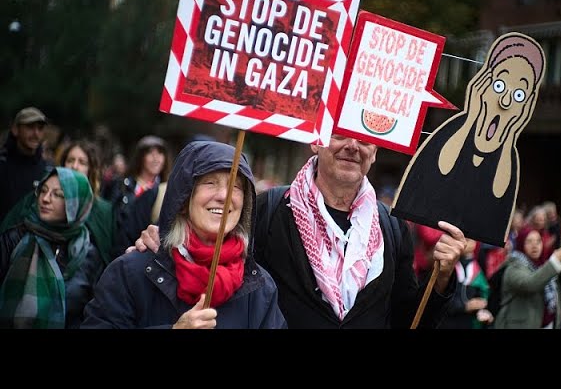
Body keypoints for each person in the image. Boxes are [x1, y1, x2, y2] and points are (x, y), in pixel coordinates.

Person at [133, 134, 466, 329]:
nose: (352, 146)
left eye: (365, 139)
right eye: (340, 134)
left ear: (375, 151)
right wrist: (164, 244)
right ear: (316, 141)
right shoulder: (268, 208)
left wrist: (441, 278)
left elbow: (408, 319)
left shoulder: (391, 226)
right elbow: (212, 264)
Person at [81, 140, 286, 329]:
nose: (224, 196)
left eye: (236, 186)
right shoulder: (129, 272)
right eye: (210, 182)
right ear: (183, 197)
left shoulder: (261, 289)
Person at [393, 33, 545, 247]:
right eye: (499, 86)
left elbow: (497, 202)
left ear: (526, 106)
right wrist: (471, 118)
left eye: (519, 95)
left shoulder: (508, 161)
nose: (505, 101)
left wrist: (510, 136)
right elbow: (428, 184)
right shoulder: (450, 134)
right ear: (482, 85)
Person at [0, 167, 102, 328]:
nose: (45, 199)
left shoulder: (88, 253)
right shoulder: (14, 239)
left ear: (76, 204)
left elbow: (93, 311)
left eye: (58, 195)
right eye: (43, 191)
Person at [1, 139, 116, 266]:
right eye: (70, 160)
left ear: (91, 169)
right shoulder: (38, 197)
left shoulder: (103, 210)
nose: (74, 166)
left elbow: (105, 256)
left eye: (82, 162)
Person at [493, 226, 561, 329]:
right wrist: (554, 261)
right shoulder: (514, 266)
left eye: (538, 241)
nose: (535, 245)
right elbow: (530, 284)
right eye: (529, 241)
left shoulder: (543, 265)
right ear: (521, 243)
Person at [0, 106, 53, 223]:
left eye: (40, 128)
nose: (36, 133)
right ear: (15, 129)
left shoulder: (48, 169)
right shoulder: (3, 166)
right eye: (30, 127)